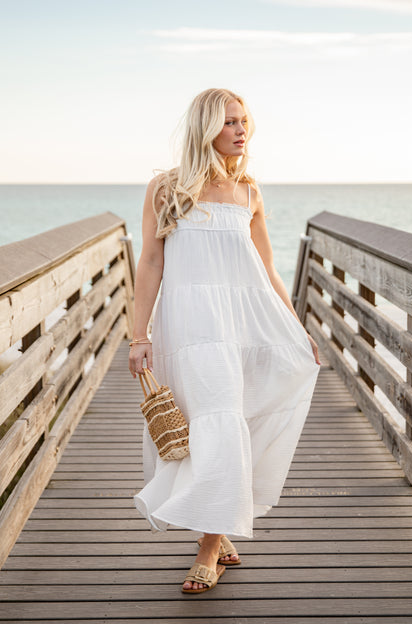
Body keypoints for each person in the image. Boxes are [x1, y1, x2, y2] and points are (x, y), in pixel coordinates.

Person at [129, 87, 321, 594]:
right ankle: (221, 517)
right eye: (231, 122)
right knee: (198, 427)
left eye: (245, 122)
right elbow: (149, 262)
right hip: (186, 327)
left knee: (223, 423)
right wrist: (137, 335)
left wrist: (297, 327)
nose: (242, 131)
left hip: (238, 328)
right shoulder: (165, 188)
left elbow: (267, 269)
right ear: (206, 127)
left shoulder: (249, 193)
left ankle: (209, 547)